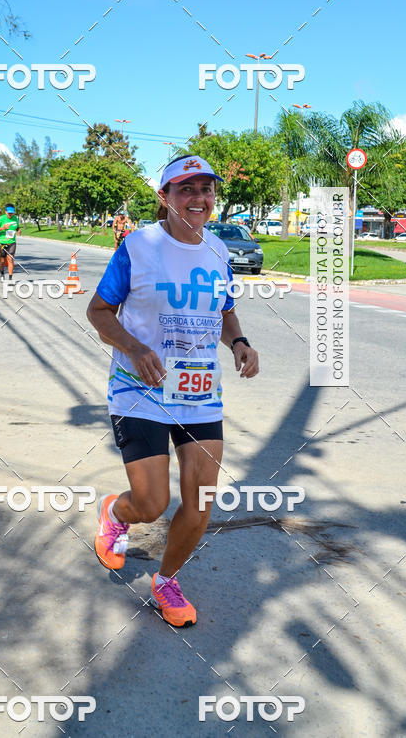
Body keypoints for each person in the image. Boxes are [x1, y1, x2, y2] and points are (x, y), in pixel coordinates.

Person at [87, 154, 259, 627]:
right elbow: (99, 312)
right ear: (165, 198)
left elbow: (224, 311)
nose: (198, 198)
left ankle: (166, 580)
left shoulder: (219, 252)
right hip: (138, 389)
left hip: (199, 391)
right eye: (186, 189)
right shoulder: (138, 247)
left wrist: (240, 342)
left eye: (206, 189)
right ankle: (116, 513)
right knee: (152, 504)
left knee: (201, 503)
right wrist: (135, 347)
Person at [0, 202, 20, 282]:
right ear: (5, 212)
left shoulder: (15, 218)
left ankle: (10, 278)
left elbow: (17, 227)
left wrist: (19, 230)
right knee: (2, 260)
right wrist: (3, 228)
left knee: (10, 259)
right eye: (9, 213)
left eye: (12, 213)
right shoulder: (1, 218)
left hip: (12, 242)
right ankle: (2, 273)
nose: (10, 214)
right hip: (2, 242)